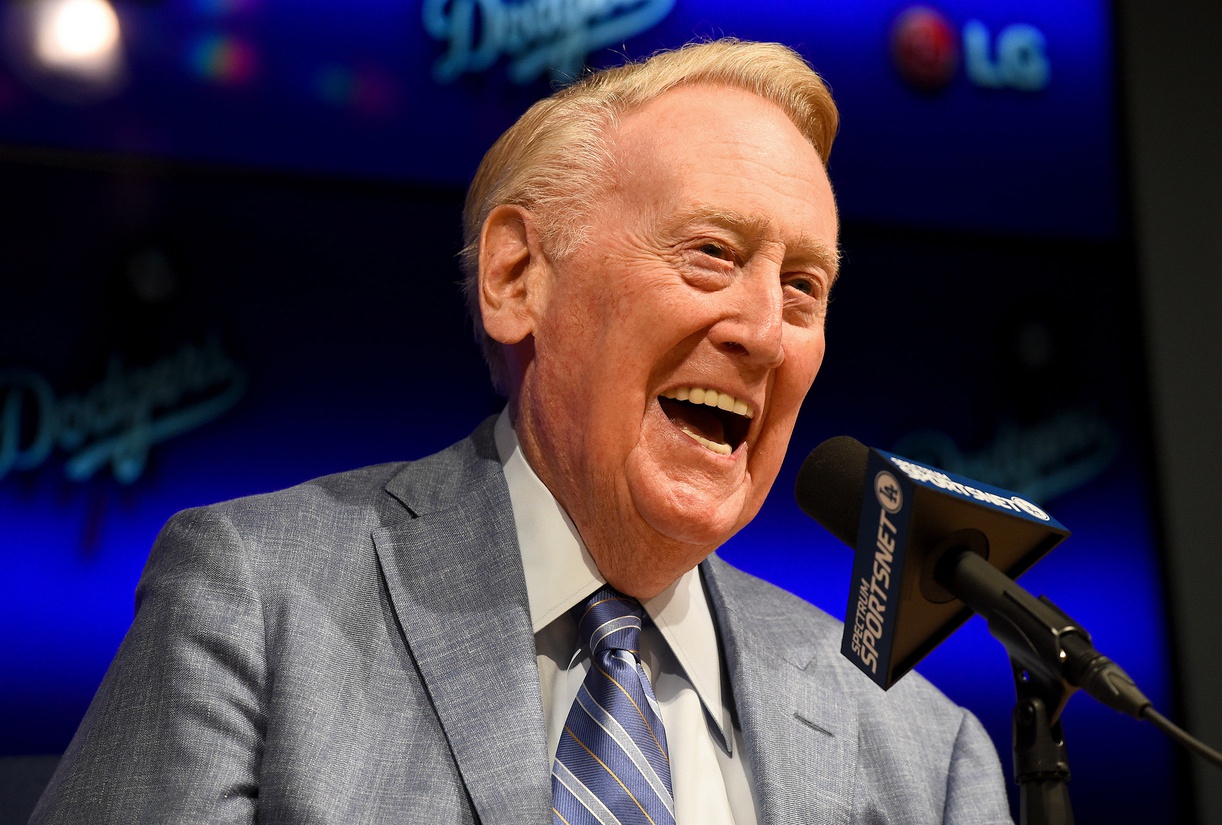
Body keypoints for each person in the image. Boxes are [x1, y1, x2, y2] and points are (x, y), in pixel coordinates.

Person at [31, 39, 1012, 824]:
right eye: (711, 254)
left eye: (803, 288)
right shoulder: (256, 604)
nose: (763, 332)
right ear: (516, 278)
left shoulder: (922, 753)